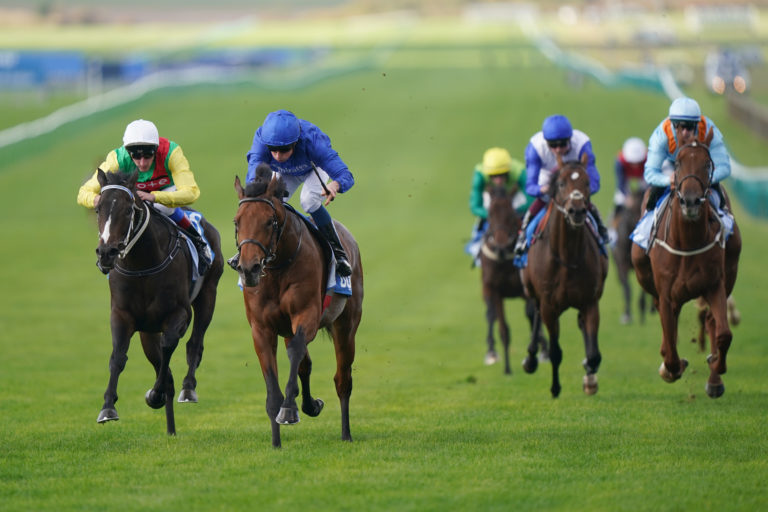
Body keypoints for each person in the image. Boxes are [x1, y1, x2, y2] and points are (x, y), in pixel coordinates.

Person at [77, 119, 212, 270]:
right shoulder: (117, 159)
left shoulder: (171, 153)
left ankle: (199, 242)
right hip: (133, 196)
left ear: (156, 149)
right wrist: (98, 200)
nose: (142, 163)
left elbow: (192, 193)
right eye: (136, 156)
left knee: (165, 208)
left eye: (148, 155)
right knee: (116, 209)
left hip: (165, 190)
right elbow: (83, 193)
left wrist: (155, 197)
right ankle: (108, 253)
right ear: (128, 153)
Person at [241, 109, 353, 277]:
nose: (278, 156)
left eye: (284, 149)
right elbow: (254, 171)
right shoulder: (262, 139)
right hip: (284, 173)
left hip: (313, 169)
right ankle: (256, 252)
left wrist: (335, 185)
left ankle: (338, 253)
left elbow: (346, 175)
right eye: (273, 150)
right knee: (267, 204)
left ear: (295, 143)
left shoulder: (313, 141)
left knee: (308, 201)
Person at [513, 114, 608, 255]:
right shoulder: (535, 148)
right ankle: (523, 236)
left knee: (581, 204)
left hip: (574, 182)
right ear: (545, 142)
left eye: (562, 144)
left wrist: (580, 193)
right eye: (553, 145)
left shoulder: (582, 144)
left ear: (570, 139)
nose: (558, 149)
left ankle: (601, 231)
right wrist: (542, 189)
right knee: (541, 201)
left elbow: (594, 181)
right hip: (547, 177)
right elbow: (530, 186)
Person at [644, 96, 730, 211]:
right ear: (672, 123)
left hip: (701, 169)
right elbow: (650, 173)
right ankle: (644, 226)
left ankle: (727, 223)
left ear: (697, 125)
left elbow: (724, 167)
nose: (684, 132)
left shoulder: (709, 131)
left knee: (721, 200)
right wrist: (668, 180)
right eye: (678, 126)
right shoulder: (661, 136)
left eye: (689, 127)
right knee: (651, 198)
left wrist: (707, 179)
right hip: (672, 165)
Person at [465, 147, 533, 265]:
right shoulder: (479, 174)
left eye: (502, 175)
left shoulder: (519, 171)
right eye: (493, 176)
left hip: (514, 198)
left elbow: (531, 199)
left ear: (509, 171)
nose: (498, 180)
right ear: (487, 174)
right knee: (485, 223)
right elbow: (475, 206)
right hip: (492, 200)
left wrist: (511, 213)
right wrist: (495, 215)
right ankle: (476, 245)